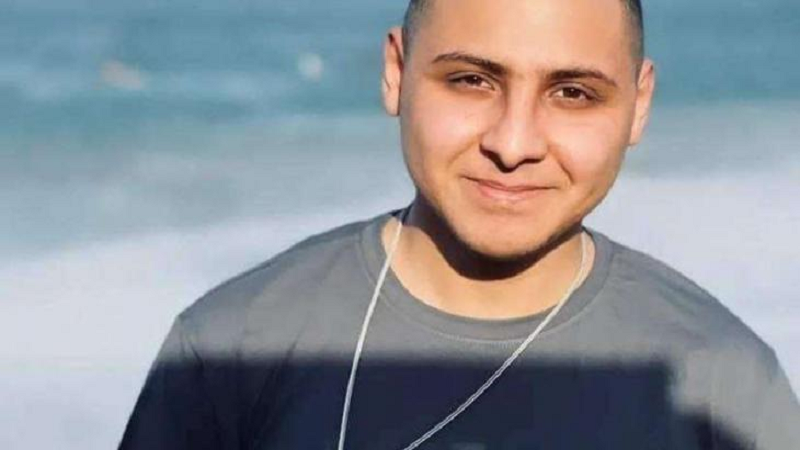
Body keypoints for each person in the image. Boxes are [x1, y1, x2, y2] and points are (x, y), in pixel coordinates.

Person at [120, 0, 800, 448]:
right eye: (473, 80)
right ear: (397, 72)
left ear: (638, 106)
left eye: (573, 93)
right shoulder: (232, 351)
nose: (513, 143)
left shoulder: (721, 385)